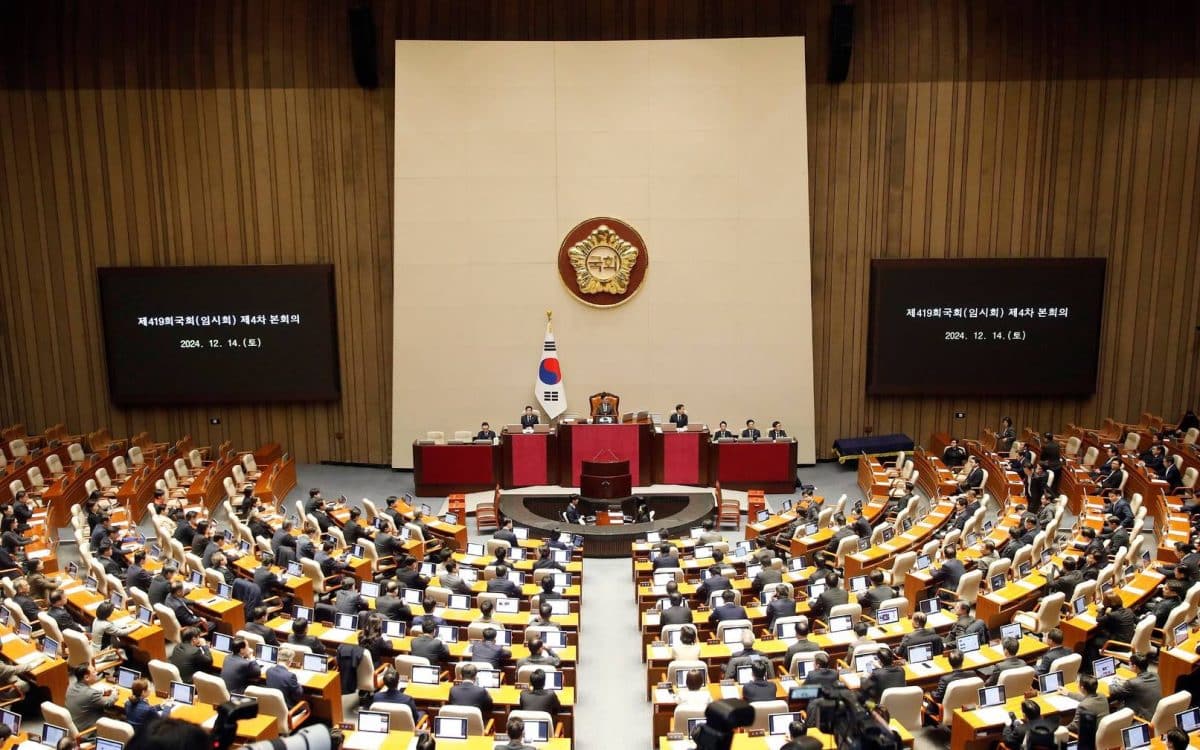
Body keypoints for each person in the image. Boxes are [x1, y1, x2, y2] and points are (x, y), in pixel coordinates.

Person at [1107, 652, 1161, 720]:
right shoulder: (1155, 675)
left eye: (1129, 664)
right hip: (1153, 713)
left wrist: (1110, 682)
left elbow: (1113, 691)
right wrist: (1126, 682)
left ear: (1134, 666)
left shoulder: (1133, 683)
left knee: (1115, 700)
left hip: (1141, 718)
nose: (1129, 665)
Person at [66, 664, 118, 730]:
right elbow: (108, 703)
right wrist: (114, 693)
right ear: (86, 677)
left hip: (75, 725)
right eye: (94, 672)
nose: (96, 673)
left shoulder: (70, 686)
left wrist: (103, 692)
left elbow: (86, 695)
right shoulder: (91, 694)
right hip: (88, 731)